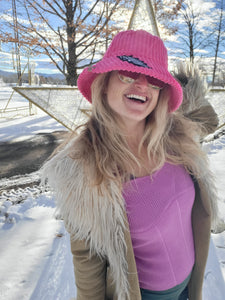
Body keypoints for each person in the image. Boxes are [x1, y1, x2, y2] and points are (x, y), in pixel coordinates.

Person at [42, 30, 218, 300]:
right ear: (105, 82)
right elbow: (87, 258)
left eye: (155, 79)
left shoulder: (177, 137)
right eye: (127, 73)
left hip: (190, 287)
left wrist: (189, 86)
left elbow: (210, 121)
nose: (142, 85)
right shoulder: (81, 168)